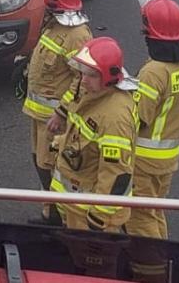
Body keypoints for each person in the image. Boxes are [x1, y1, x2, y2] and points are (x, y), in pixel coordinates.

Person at [124, 0, 179, 282]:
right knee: (154, 212)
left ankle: (150, 273)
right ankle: (165, 264)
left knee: (140, 218)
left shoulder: (154, 72)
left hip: (143, 159)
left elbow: (138, 117)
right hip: (167, 158)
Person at [21, 0, 94, 225]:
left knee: (51, 167)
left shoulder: (77, 35)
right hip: (39, 114)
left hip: (54, 120)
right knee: (40, 162)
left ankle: (57, 218)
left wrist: (62, 112)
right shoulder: (54, 25)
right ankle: (50, 212)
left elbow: (82, 80)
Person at [46, 37, 138, 234]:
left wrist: (99, 218)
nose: (83, 80)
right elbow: (83, 133)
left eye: (92, 75)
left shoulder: (115, 117)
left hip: (89, 217)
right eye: (83, 73)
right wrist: (63, 142)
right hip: (75, 204)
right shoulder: (91, 92)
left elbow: (116, 174)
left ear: (108, 77)